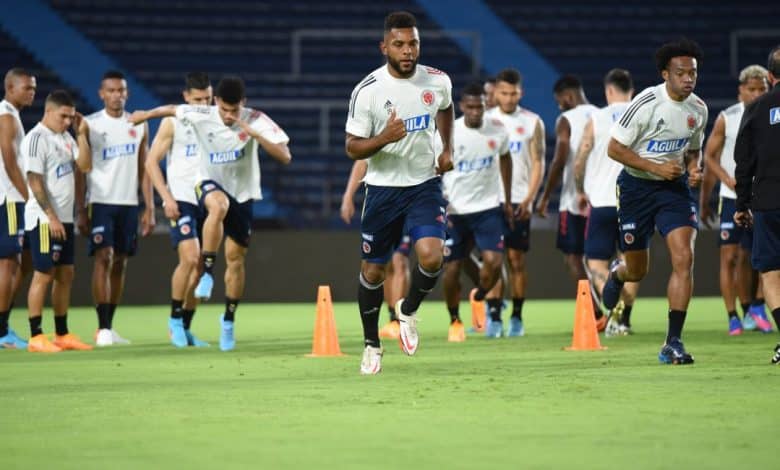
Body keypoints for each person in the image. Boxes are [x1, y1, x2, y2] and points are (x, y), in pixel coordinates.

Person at [129, 76, 292, 351]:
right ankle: (202, 280)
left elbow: (285, 156)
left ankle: (227, 320)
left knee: (236, 260)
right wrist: (144, 114)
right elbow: (169, 109)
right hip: (202, 187)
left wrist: (257, 136)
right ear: (216, 103)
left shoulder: (256, 119)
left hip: (242, 192)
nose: (229, 116)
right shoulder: (201, 114)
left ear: (244, 104)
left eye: (234, 110)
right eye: (224, 110)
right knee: (216, 210)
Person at [345, 11, 453, 375]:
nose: (408, 51)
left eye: (413, 44)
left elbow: (446, 108)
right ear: (384, 47)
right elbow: (352, 148)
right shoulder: (368, 91)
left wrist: (447, 148)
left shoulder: (437, 81)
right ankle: (371, 345)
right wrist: (383, 139)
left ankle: (407, 311)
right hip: (382, 191)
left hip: (424, 184)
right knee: (373, 272)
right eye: (399, 44)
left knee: (432, 256)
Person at [601, 38, 708, 365]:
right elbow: (614, 149)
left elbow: (692, 148)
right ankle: (618, 273)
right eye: (681, 73)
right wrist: (655, 167)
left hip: (673, 191)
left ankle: (673, 340)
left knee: (683, 257)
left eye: (693, 73)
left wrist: (692, 168)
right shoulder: (646, 102)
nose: (688, 79)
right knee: (638, 271)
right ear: (665, 74)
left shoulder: (698, 110)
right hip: (636, 189)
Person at [76, 70, 155, 347]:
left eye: (121, 90)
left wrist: (150, 207)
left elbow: (145, 168)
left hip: (129, 203)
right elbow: (81, 169)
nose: (116, 95)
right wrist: (79, 208)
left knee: (120, 262)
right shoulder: (90, 124)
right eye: (110, 90)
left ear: (127, 93)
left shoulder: (139, 124)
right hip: (100, 201)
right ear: (101, 94)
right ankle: (103, 326)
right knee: (104, 257)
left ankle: (109, 326)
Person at [699, 65, 772, 335]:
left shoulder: (771, 115)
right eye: (750, 89)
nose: (755, 93)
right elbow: (709, 157)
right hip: (731, 197)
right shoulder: (727, 118)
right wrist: (725, 179)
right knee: (730, 258)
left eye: (760, 89)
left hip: (762, 195)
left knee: (757, 257)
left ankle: (755, 307)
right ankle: (733, 316)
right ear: (740, 90)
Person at [144, 72, 213, 348]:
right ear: (185, 97)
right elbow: (151, 162)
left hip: (208, 197)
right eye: (197, 99)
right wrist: (166, 198)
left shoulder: (216, 120)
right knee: (190, 258)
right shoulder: (172, 122)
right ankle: (174, 320)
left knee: (201, 268)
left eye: (207, 99)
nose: (203, 105)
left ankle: (185, 325)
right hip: (182, 198)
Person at [22, 90, 92, 352]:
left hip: (64, 218)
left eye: (71, 117)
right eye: (63, 116)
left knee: (66, 274)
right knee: (44, 273)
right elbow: (34, 180)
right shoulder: (36, 139)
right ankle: (36, 336)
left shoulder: (66, 137)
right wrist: (50, 216)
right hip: (43, 219)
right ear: (48, 112)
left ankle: (61, 333)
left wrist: (81, 133)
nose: (66, 122)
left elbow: (84, 166)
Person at [441, 82, 512, 342]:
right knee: (450, 270)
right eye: (470, 107)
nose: (474, 111)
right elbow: (435, 165)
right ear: (462, 106)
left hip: (487, 208)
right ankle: (455, 319)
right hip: (456, 210)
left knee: (493, 262)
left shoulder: (498, 130)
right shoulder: (450, 132)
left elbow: (505, 158)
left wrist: (506, 198)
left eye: (479, 106)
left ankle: (481, 294)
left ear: (485, 105)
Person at [574, 68, 641, 336]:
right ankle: (623, 320)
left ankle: (613, 307)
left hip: (601, 201)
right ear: (631, 91)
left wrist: (580, 190)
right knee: (632, 262)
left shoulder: (596, 118)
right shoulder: (642, 114)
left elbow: (581, 159)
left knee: (596, 263)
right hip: (634, 202)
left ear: (608, 91)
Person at [482, 68, 545, 337]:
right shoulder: (484, 121)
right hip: (489, 201)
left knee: (516, 260)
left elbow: (538, 162)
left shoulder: (532, 122)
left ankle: (517, 317)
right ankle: (494, 316)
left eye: (513, 93)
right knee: (492, 260)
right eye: (504, 93)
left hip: (520, 200)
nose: (508, 98)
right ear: (495, 92)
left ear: (521, 92)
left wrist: (530, 198)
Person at [536, 75, 603, 328]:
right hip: (603, 198)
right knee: (602, 257)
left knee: (573, 258)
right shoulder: (602, 115)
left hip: (575, 201)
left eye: (559, 101)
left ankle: (595, 314)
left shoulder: (567, 119)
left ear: (569, 96)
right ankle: (619, 312)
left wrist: (545, 197)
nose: (559, 106)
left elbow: (560, 157)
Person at [733, 45, 780, 363]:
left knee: (771, 273)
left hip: (769, 201)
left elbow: (743, 161)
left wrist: (741, 204)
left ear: (769, 76)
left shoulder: (757, 108)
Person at [340, 159, 410, 340]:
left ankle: (399, 319)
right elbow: (362, 161)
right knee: (383, 265)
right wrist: (348, 196)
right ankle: (392, 316)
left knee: (399, 260)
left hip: (409, 201)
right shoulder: (375, 133)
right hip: (382, 204)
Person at [0, 68, 35, 349]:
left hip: (10, 199)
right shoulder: (7, 116)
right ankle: (1, 331)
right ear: (10, 88)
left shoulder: (12, 114)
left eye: (33, 88)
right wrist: (29, 197)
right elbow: (9, 161)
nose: (31, 92)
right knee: (9, 264)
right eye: (26, 88)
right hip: (10, 200)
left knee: (19, 263)